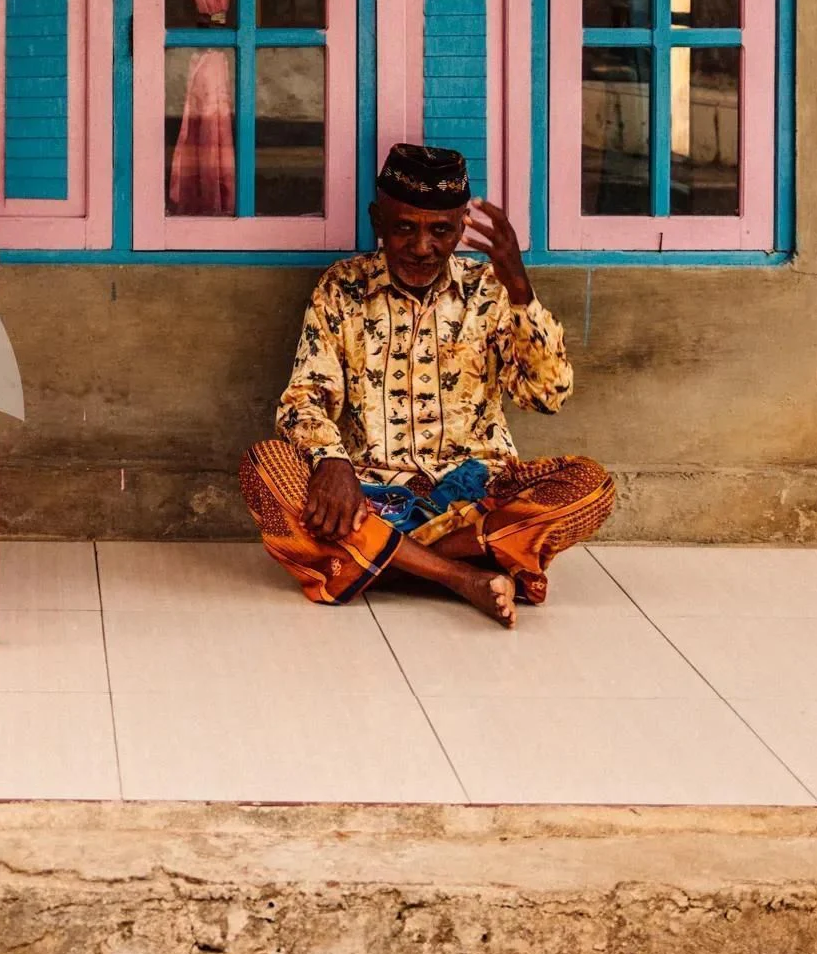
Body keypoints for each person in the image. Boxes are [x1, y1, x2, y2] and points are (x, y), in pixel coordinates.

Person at [239, 144, 616, 627]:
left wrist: (521, 290)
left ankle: (376, 563)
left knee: (591, 486)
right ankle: (463, 575)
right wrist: (331, 461)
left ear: (461, 226)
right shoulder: (342, 287)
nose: (422, 247)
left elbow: (547, 396)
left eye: (440, 230)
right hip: (367, 496)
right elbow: (304, 397)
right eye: (405, 228)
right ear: (379, 220)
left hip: (476, 495)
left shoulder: (491, 291)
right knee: (264, 466)